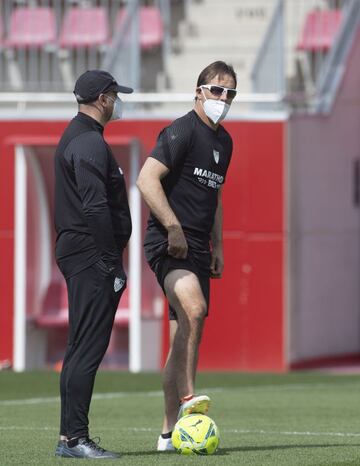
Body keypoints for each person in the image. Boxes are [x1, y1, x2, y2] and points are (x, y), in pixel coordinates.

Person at [137, 61, 237, 451]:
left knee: (184, 337)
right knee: (194, 309)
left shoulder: (225, 142)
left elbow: (216, 198)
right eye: (216, 91)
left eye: (229, 94)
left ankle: (166, 433)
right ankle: (188, 402)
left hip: (199, 247)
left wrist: (221, 246)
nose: (222, 99)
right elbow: (146, 179)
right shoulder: (180, 130)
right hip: (168, 242)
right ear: (198, 92)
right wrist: (173, 227)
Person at [54, 70, 133, 459]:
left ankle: (68, 437)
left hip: (82, 254)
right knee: (87, 348)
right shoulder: (88, 141)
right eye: (115, 95)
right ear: (103, 99)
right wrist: (110, 263)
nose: (118, 102)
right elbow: (95, 206)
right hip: (90, 256)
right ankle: (75, 439)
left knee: (79, 345)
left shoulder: (82, 137)